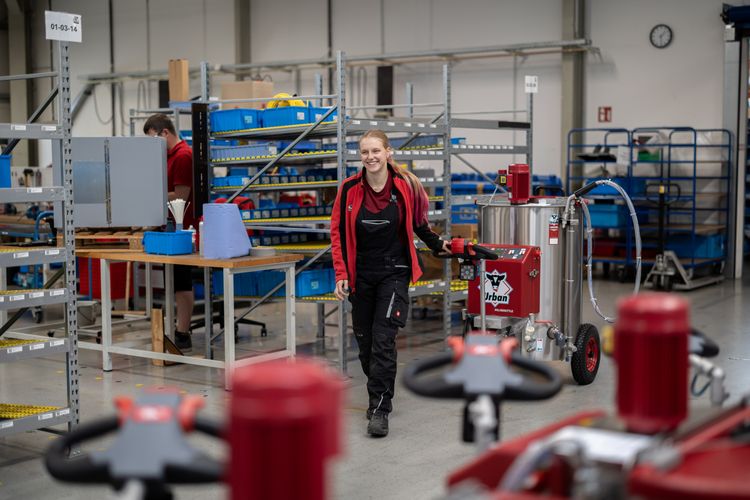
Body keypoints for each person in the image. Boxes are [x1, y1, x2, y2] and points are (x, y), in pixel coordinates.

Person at [331, 129, 450, 438]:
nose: (370, 157)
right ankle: (378, 388)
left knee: (384, 341)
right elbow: (338, 234)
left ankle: (380, 409)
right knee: (366, 345)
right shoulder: (348, 189)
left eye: (376, 151)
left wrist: (438, 244)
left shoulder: (405, 186)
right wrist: (341, 273)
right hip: (361, 275)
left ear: (388, 152)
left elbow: (419, 224)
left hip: (394, 272)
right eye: (365, 152)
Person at [143, 113, 196, 350]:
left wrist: (151, 196)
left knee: (182, 282)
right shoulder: (169, 156)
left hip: (182, 226)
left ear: (165, 132)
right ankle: (177, 328)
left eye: (154, 138)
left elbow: (181, 195)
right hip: (171, 224)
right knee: (174, 281)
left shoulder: (183, 155)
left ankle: (183, 333)